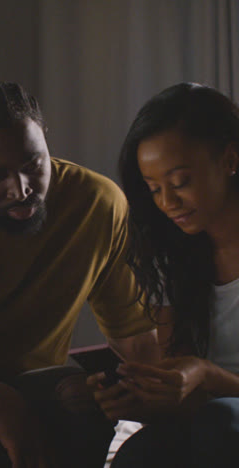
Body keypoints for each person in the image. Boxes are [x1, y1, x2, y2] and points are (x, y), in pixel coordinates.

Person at [0, 80, 157, 468]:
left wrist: (134, 393)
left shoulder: (96, 203)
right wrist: (0, 402)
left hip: (40, 387)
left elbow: (136, 339)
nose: (21, 189)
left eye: (32, 166)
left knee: (80, 403)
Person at [89, 83, 239, 468]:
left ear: (230, 160)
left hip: (223, 425)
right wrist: (137, 400)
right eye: (154, 189)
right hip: (210, 424)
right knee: (140, 453)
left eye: (180, 183)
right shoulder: (175, 259)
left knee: (219, 424)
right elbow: (182, 400)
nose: (168, 203)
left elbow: (208, 395)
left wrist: (208, 375)